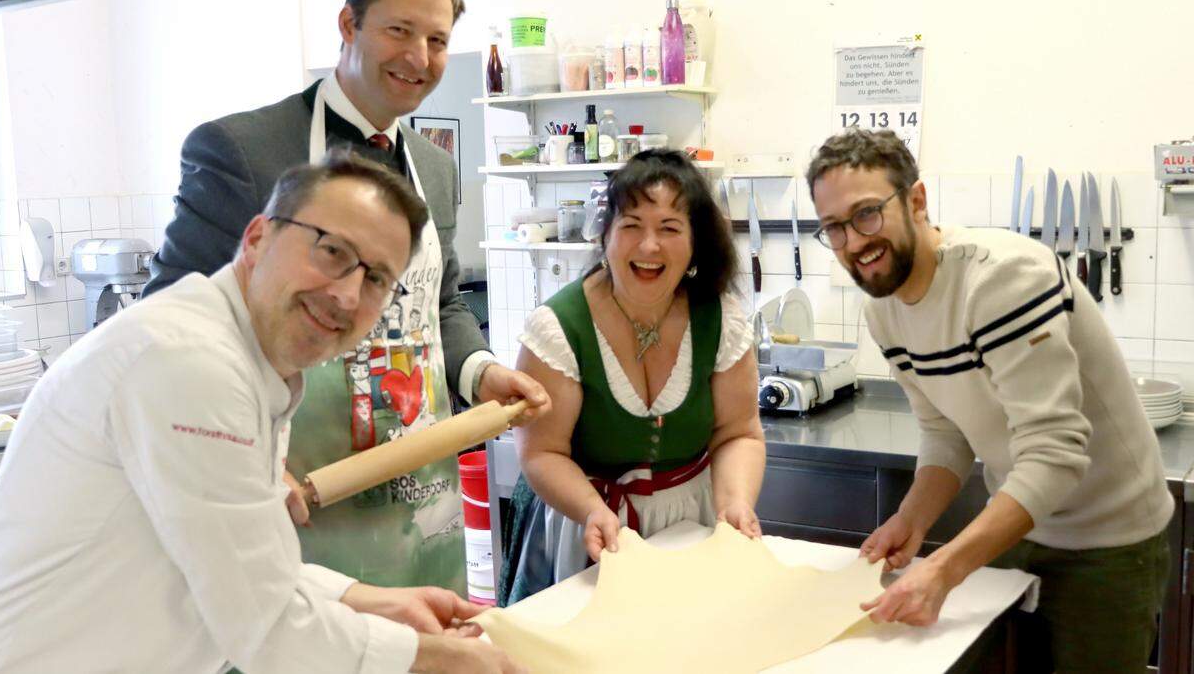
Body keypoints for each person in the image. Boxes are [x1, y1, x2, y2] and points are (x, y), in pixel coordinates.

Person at [0, 152, 522, 673]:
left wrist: (367, 599)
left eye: (377, 279)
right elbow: (264, 627)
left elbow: (238, 561)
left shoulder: (257, 364)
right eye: (332, 251)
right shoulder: (189, 362)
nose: (345, 294)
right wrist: (434, 659)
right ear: (256, 238)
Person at [144, 0, 549, 593]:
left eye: (437, 41)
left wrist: (483, 374)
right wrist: (235, 458)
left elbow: (440, 304)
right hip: (293, 492)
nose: (419, 57)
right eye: (399, 31)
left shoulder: (434, 167)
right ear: (347, 25)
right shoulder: (243, 150)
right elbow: (169, 324)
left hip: (417, 503)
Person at [806, 129, 1172, 672]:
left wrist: (946, 568)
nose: (854, 242)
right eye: (834, 228)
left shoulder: (1001, 279)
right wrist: (912, 518)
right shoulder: (883, 309)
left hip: (1110, 541)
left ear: (916, 201)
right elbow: (944, 433)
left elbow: (1055, 452)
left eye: (866, 214)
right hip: (1019, 524)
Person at [498, 150, 767, 605]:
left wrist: (735, 503)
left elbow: (738, 433)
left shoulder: (720, 318)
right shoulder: (559, 327)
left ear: (695, 243)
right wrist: (591, 511)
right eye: (631, 225)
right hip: (585, 530)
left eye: (669, 228)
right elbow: (542, 452)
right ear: (605, 237)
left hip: (691, 525)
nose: (648, 246)